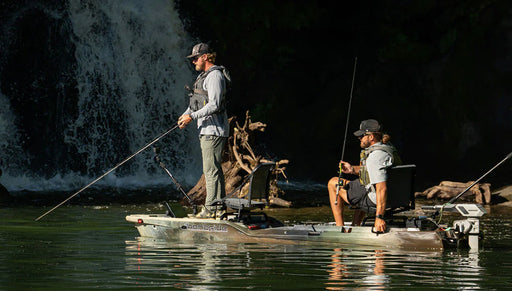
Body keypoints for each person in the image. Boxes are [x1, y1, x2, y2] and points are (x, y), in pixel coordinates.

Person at [178, 43, 229, 218]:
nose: (193, 62)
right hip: (207, 130)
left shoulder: (214, 76)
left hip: (213, 130)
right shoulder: (203, 76)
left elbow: (214, 104)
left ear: (205, 57)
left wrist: (191, 117)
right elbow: (195, 105)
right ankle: (219, 208)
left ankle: (210, 210)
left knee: (211, 171)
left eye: (195, 58)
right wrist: (185, 116)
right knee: (213, 170)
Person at [327, 119, 401, 232]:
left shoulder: (374, 157)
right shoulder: (388, 150)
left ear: (371, 137)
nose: (359, 138)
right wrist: (352, 169)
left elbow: (382, 188)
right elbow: (372, 172)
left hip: (376, 198)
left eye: (362, 136)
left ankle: (340, 229)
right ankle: (354, 226)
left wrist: (379, 218)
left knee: (333, 183)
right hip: (397, 197)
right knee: (360, 185)